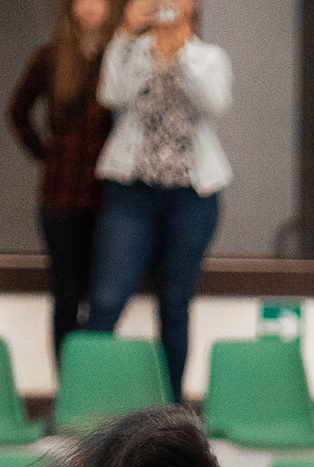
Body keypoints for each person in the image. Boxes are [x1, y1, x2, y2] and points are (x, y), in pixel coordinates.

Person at [87, 0, 232, 402]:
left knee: (174, 302)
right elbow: (111, 93)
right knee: (107, 299)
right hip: (132, 191)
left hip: (191, 194)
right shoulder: (131, 49)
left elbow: (214, 103)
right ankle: (81, 401)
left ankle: (171, 412)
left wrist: (179, 52)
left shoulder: (209, 57)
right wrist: (127, 34)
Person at [9, 0, 124, 358]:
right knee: (67, 293)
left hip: (110, 193)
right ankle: (67, 386)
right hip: (61, 195)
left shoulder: (123, 56)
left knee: (103, 295)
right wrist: (46, 153)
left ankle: (92, 376)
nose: (90, 7)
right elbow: (18, 111)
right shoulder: (51, 57)